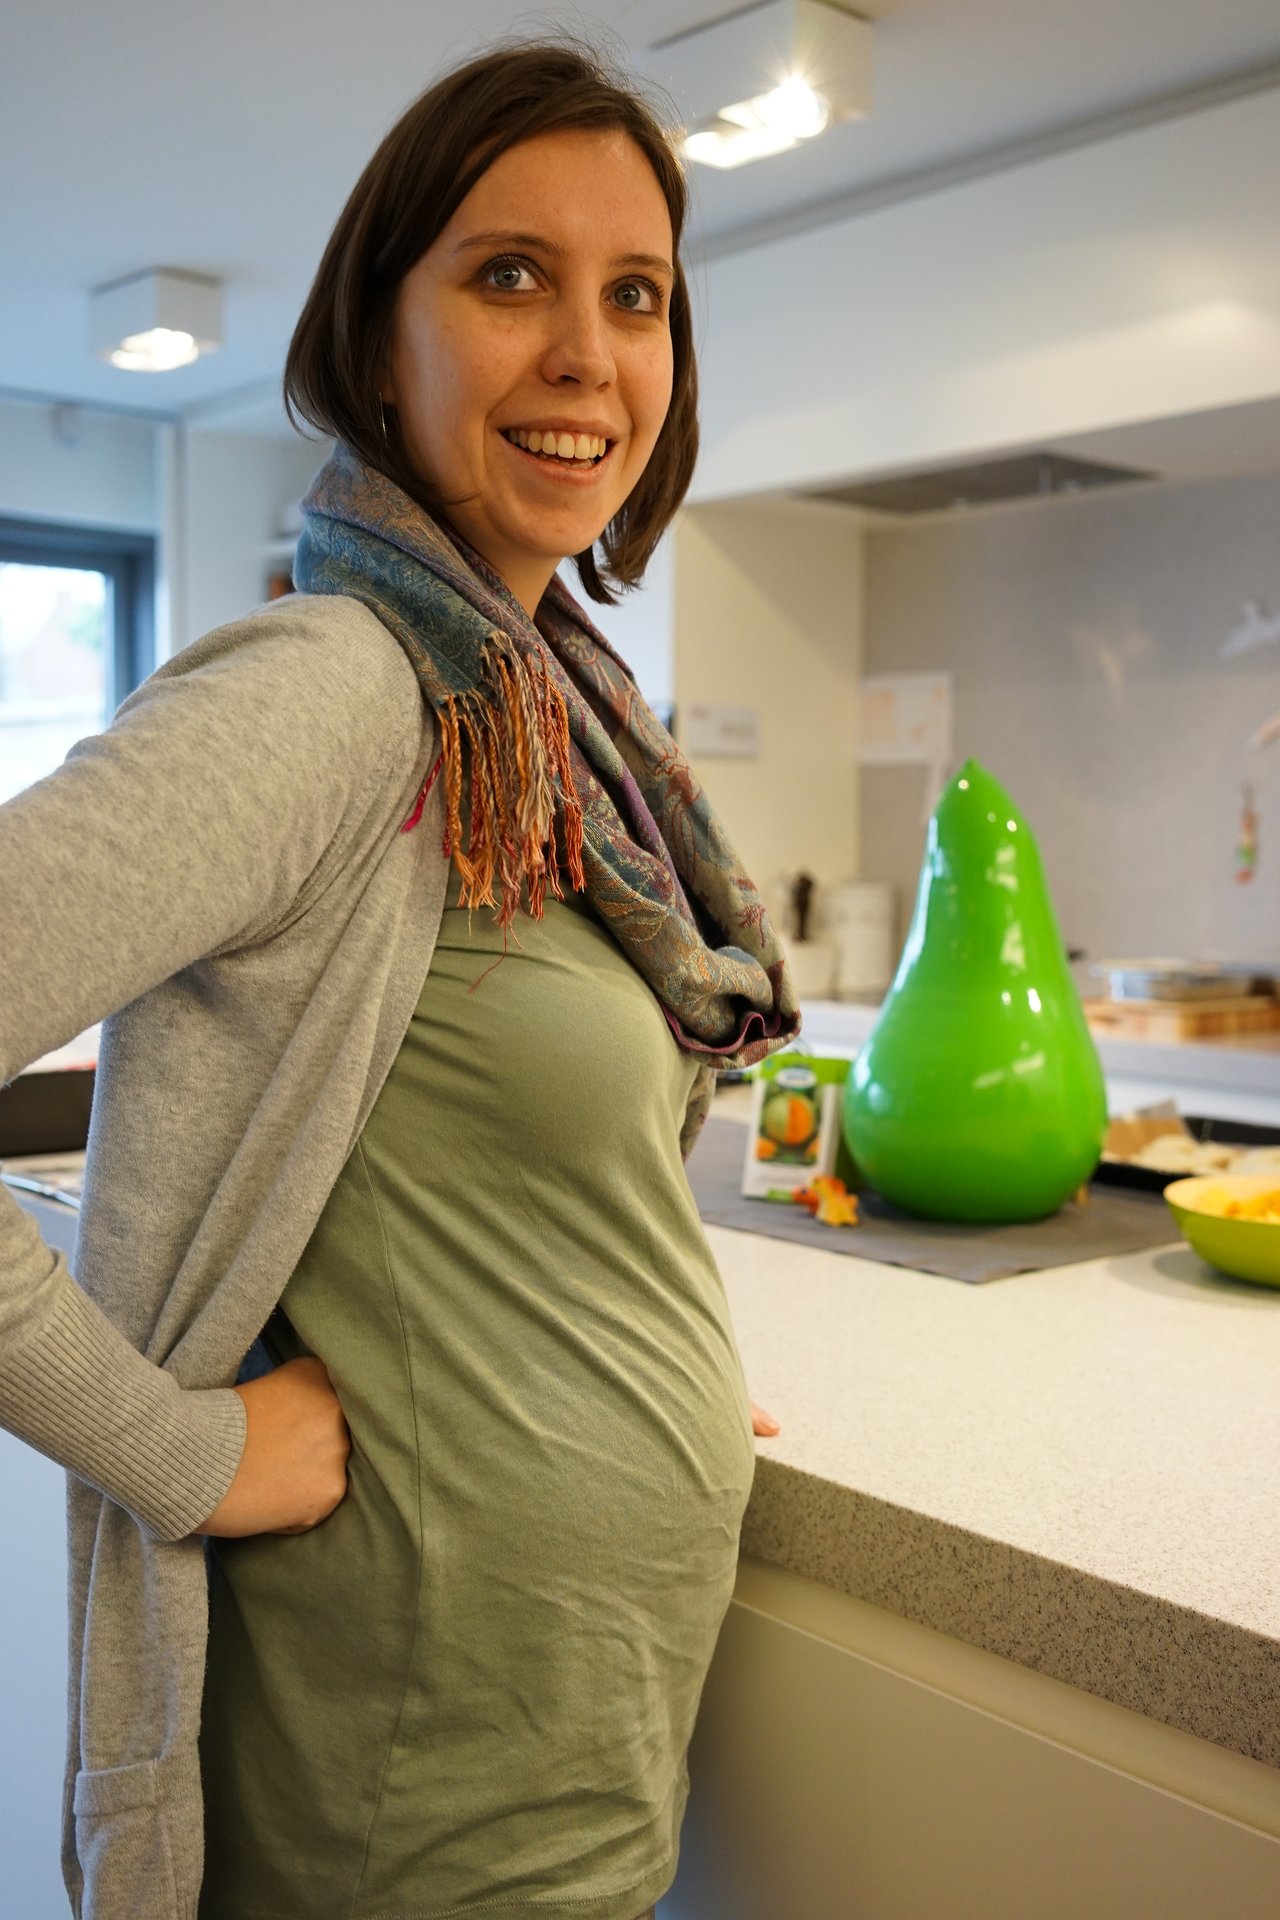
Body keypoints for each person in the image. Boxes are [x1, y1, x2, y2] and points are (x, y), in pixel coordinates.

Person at [0, 36, 799, 1920]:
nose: (587, 354)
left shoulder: (551, 725)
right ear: (379, 339)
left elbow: (468, 1144)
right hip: (409, 1781)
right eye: (508, 274)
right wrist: (179, 1454)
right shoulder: (340, 690)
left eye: (638, 296)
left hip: (553, 1745)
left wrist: (615, 1331)